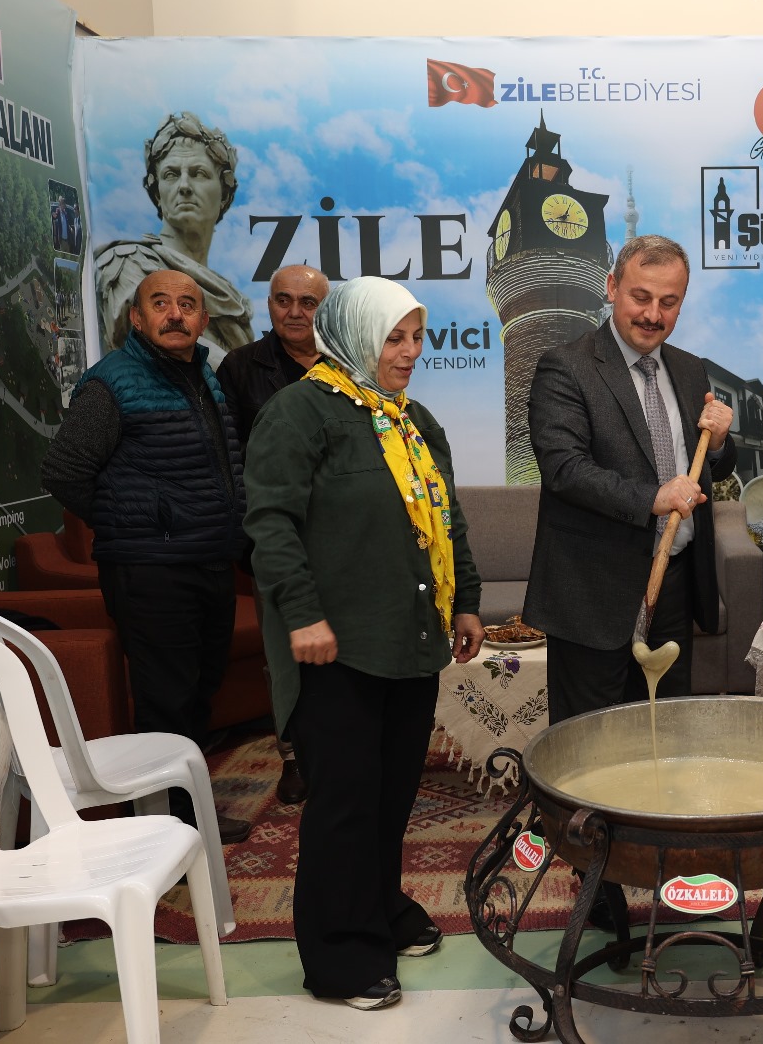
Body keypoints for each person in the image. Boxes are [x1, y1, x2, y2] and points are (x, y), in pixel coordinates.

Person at [242, 276, 484, 1011]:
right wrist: (302, 616)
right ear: (352, 335)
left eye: (416, 337)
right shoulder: (300, 412)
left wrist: (466, 601)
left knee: (390, 794)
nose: (409, 352)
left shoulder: (413, 421)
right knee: (344, 802)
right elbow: (271, 523)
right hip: (336, 645)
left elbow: (447, 519)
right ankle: (340, 956)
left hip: (410, 639)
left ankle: (379, 908)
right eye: (392, 338)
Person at [40, 270, 251, 845]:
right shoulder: (112, 382)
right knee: (167, 703)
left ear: (204, 319)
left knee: (199, 691)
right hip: (152, 571)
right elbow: (63, 472)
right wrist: (134, 520)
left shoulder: (202, 375)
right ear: (137, 317)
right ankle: (165, 829)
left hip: (209, 560)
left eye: (188, 304)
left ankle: (185, 810)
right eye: (161, 303)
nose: (175, 314)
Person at [524, 233, 736, 721]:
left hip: (676, 585)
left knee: (667, 732)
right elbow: (564, 470)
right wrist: (652, 498)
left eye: (669, 302)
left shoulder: (690, 370)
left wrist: (720, 443)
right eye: (641, 297)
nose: (652, 315)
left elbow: (711, 468)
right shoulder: (566, 366)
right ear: (611, 287)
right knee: (588, 743)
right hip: (594, 591)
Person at [216, 264, 330, 805]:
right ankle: (293, 756)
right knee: (284, 652)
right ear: (269, 304)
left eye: (308, 302)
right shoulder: (241, 367)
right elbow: (228, 457)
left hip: (343, 537)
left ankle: (337, 746)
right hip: (275, 534)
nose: (295, 312)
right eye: (284, 300)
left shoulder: (348, 362)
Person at [95, 112, 255, 358]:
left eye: (198, 173)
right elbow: (168, 345)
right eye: (171, 174)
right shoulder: (127, 263)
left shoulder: (231, 296)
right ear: (157, 193)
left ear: (224, 193)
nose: (184, 186)